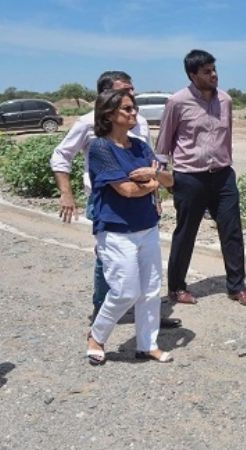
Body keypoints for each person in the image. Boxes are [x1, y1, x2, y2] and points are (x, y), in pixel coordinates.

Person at [50, 71, 181, 329]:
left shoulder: (138, 120)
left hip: (143, 198)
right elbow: (61, 156)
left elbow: (150, 158)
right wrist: (66, 193)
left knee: (143, 261)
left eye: (132, 90)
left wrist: (155, 187)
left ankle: (145, 313)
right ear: (106, 96)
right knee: (107, 257)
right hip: (107, 199)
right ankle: (103, 310)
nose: (131, 96)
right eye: (124, 91)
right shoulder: (87, 124)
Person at [156, 49, 246, 306]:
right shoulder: (177, 102)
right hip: (190, 177)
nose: (213, 75)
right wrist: (160, 177)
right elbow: (164, 142)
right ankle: (176, 287)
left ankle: (237, 286)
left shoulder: (225, 100)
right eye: (206, 71)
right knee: (186, 233)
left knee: (232, 231)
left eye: (214, 69)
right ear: (192, 75)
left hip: (222, 176)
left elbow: (227, 136)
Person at [85, 89, 174, 365]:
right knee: (125, 290)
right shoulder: (100, 147)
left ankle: (147, 344)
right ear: (109, 114)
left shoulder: (140, 145)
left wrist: (153, 176)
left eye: (134, 108)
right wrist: (152, 182)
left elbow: (170, 180)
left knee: (150, 290)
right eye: (127, 109)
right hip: (115, 230)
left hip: (147, 226)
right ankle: (96, 336)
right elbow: (125, 189)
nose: (134, 113)